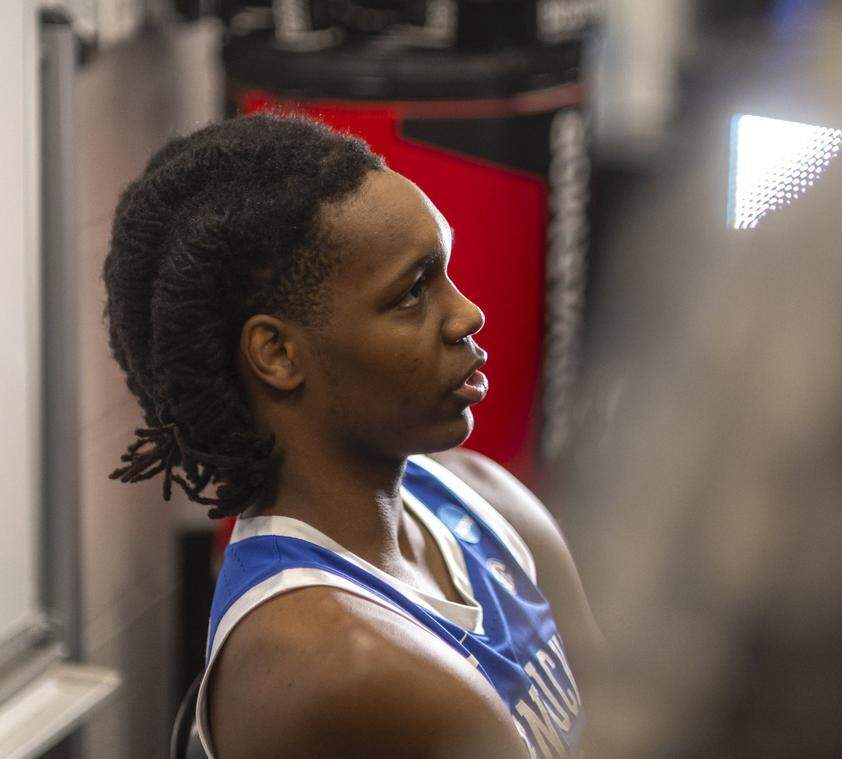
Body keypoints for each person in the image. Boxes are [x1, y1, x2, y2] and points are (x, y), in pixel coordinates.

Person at [103, 114, 602, 759]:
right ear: (278, 354)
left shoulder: (479, 493)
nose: (467, 315)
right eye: (412, 293)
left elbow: (632, 714)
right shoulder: (339, 662)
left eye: (445, 273)